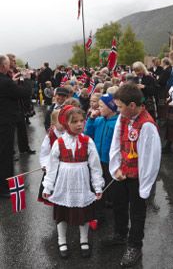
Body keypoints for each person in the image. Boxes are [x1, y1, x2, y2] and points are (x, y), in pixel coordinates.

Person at [105, 83, 161, 267]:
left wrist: (144, 186)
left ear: (131, 105)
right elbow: (116, 144)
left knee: (137, 212)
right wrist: (116, 168)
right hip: (122, 173)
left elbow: (150, 159)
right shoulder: (123, 118)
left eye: (120, 106)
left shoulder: (147, 125)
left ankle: (135, 246)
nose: (118, 109)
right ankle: (120, 234)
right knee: (119, 204)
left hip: (138, 176)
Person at [42, 105, 104, 259]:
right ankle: (61, 240)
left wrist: (97, 186)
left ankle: (84, 239)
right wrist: (48, 187)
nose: (79, 124)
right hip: (64, 184)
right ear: (65, 123)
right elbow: (52, 168)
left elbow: (95, 167)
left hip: (82, 183)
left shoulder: (87, 141)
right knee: (62, 214)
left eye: (82, 121)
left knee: (83, 213)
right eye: (74, 121)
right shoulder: (59, 142)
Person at [0, 55, 32, 197]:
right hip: (5, 122)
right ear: (3, 66)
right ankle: (5, 188)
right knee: (5, 155)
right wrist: (26, 79)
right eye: (7, 64)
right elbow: (24, 93)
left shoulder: (6, 81)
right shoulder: (6, 82)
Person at [84, 93, 118, 221]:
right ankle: (99, 212)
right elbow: (88, 133)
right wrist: (91, 119)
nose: (98, 109)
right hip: (97, 160)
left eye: (102, 106)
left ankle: (112, 205)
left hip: (110, 161)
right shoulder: (98, 120)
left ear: (111, 107)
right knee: (98, 185)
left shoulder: (117, 123)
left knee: (110, 186)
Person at [38, 109, 65, 204]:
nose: (64, 123)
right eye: (60, 121)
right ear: (53, 124)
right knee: (55, 192)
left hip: (66, 170)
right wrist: (45, 165)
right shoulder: (50, 136)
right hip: (54, 169)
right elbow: (44, 153)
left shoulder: (70, 133)